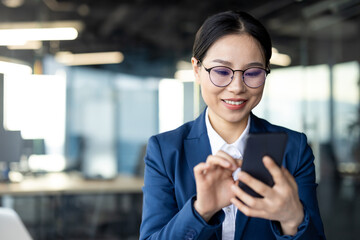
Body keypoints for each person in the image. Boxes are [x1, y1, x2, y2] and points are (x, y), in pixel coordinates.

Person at [140, 10, 326, 240]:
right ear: (197, 69)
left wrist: (291, 218)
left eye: (253, 72)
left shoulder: (294, 148)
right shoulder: (165, 149)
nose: (237, 87)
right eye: (221, 71)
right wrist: (201, 210)